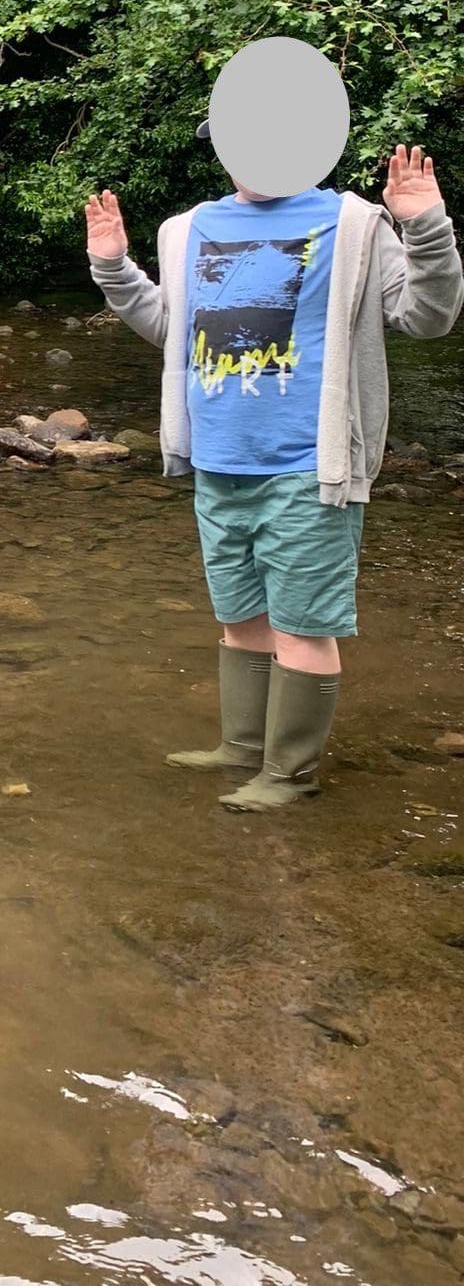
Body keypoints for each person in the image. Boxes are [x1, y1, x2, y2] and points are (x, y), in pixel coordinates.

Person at [85, 56, 462, 811]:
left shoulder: (356, 225)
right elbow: (175, 332)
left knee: (303, 627)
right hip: (218, 461)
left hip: (310, 466)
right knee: (239, 619)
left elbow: (429, 317)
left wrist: (426, 229)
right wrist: (116, 271)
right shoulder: (186, 229)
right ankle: (241, 748)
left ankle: (289, 775)